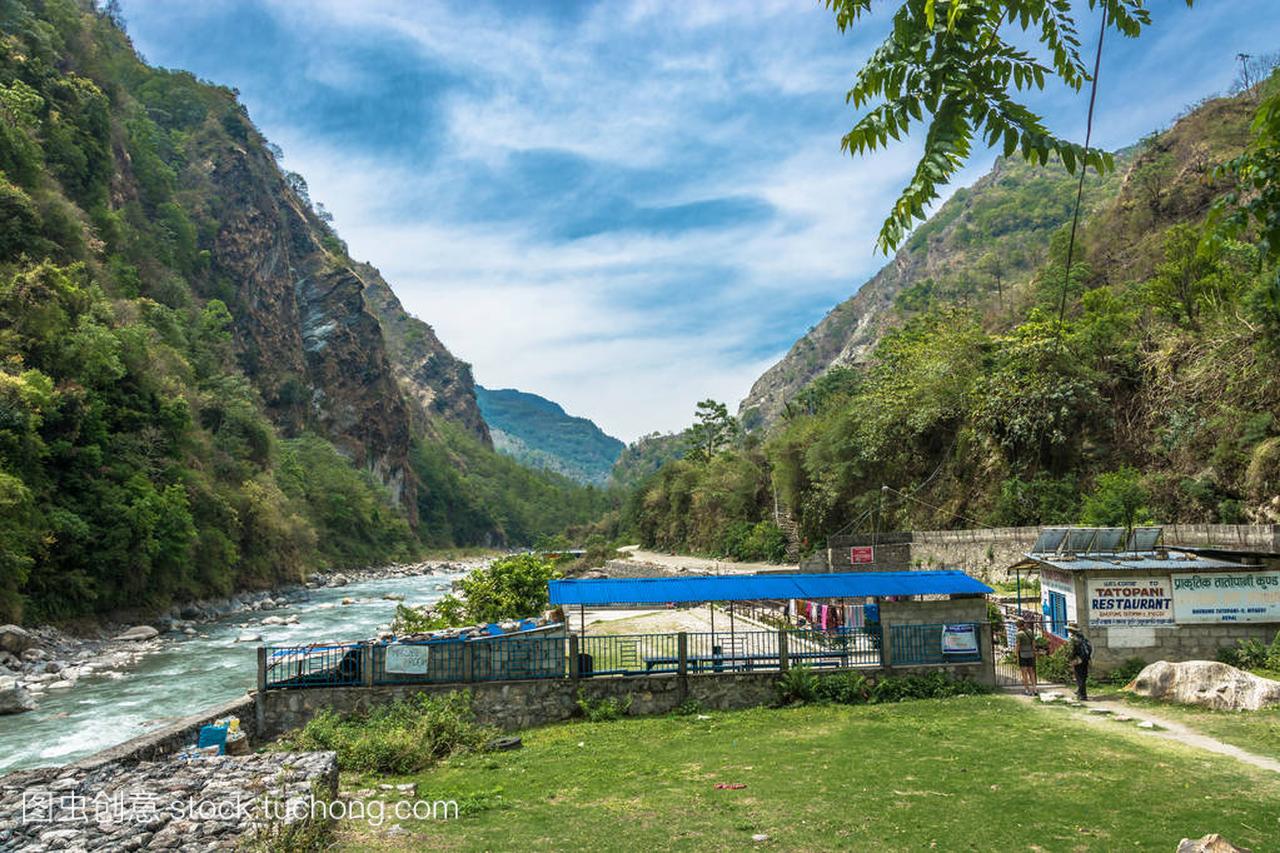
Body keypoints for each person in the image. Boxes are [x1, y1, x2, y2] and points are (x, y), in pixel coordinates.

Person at [1066, 622, 1092, 701]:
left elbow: (1072, 651)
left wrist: (1070, 658)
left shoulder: (1074, 640)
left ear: (1071, 630)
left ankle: (1082, 695)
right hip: (1085, 659)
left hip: (1078, 660)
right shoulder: (1083, 638)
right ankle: (1080, 692)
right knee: (1083, 677)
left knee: (1079, 677)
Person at [1015, 618, 1037, 696]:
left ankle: (1027, 689)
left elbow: (1018, 645)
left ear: (1018, 625)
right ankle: (1035, 689)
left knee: (1024, 673)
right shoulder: (1030, 631)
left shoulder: (1019, 634)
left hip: (1022, 654)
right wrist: (1034, 651)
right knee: (1031, 672)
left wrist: (1016, 653)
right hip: (1030, 653)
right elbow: (1033, 643)